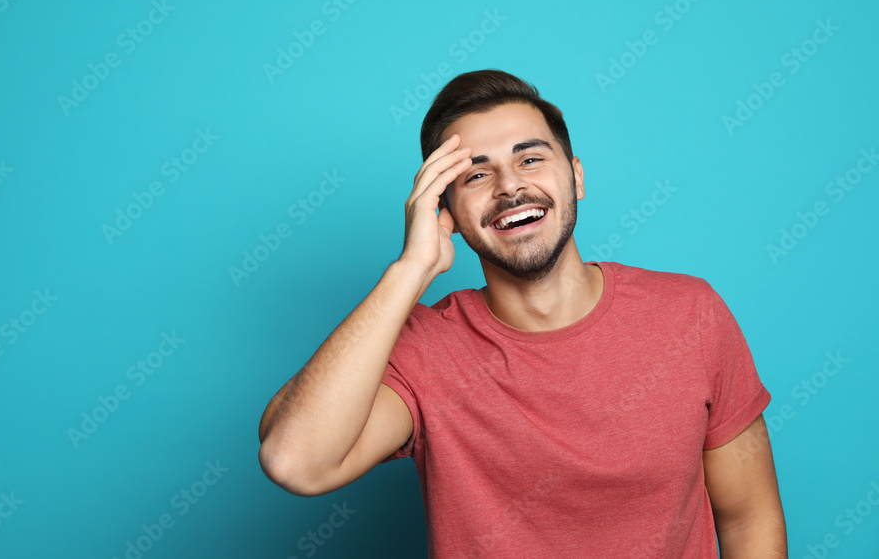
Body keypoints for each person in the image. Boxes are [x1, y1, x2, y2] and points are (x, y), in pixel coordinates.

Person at [258, 69, 786, 557]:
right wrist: (410, 269)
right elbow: (294, 460)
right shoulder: (422, 350)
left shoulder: (690, 314)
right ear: (447, 214)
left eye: (530, 159)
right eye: (476, 176)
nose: (511, 187)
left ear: (576, 177)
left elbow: (747, 518)